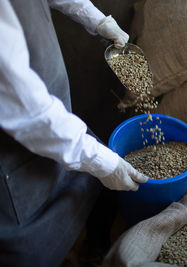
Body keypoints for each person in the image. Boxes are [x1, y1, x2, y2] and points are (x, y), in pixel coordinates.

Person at [0, 0, 148, 266]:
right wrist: (101, 161)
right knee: (30, 245)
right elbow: (26, 111)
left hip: (53, 120)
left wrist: (96, 19)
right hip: (13, 146)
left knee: (82, 184)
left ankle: (90, 249)